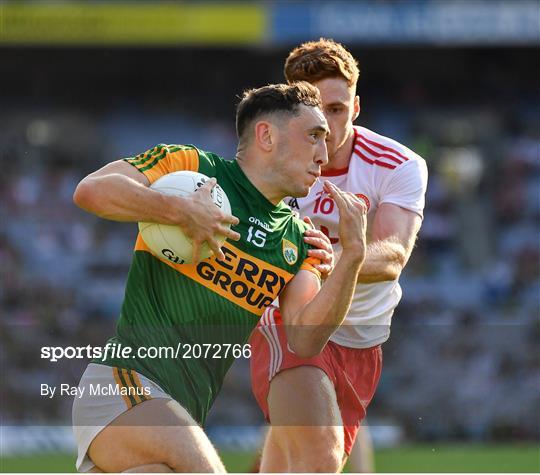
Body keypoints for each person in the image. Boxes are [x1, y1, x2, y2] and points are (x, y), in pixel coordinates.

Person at [71, 81, 368, 473]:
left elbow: (304, 339)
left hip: (181, 410)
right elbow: (91, 191)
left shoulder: (299, 238)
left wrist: (353, 258)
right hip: (121, 383)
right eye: (313, 136)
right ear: (266, 135)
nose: (323, 154)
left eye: (326, 141)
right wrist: (178, 211)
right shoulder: (190, 167)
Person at [250, 39, 428, 472]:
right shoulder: (265, 167)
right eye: (314, 111)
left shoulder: (397, 164)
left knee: (284, 466)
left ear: (357, 106)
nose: (327, 125)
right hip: (291, 322)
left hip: (362, 339)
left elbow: (391, 257)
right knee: (319, 460)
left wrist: (331, 259)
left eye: (337, 109)